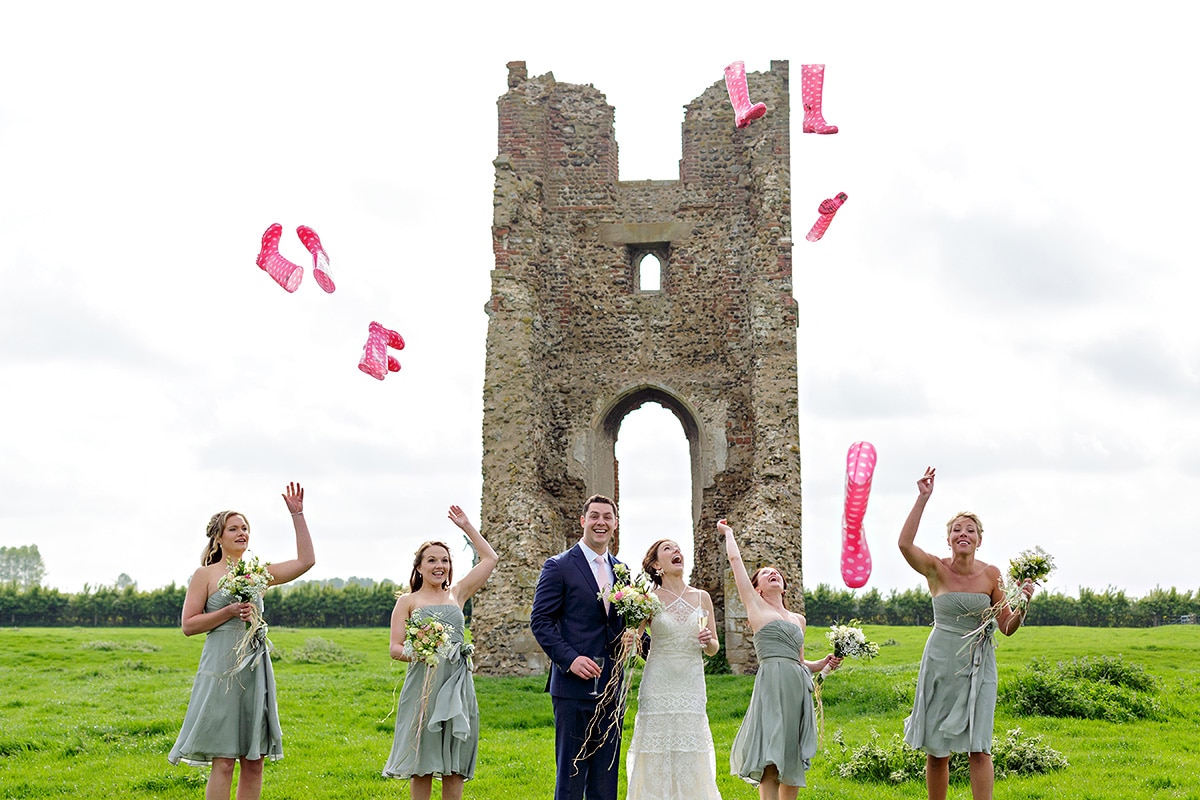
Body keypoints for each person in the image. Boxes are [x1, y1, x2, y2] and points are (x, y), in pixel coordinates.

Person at [168, 482, 317, 800]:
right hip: (221, 668)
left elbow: (306, 562)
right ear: (218, 537)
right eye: (233, 528)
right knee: (223, 761)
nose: (241, 533)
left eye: (245, 528)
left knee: (254, 761)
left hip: (255, 668)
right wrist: (229, 611)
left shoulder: (258, 573)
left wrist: (297, 514)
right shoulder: (205, 575)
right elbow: (189, 625)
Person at [898, 467, 1035, 800]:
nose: (963, 534)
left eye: (970, 530)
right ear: (948, 539)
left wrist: (1024, 603)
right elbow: (904, 544)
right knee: (937, 748)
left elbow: (1007, 626)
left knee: (980, 746)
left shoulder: (991, 574)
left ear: (979, 539)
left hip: (979, 665)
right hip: (941, 661)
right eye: (957, 530)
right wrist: (923, 497)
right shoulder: (935, 569)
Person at [719, 519, 841, 800]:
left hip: (797, 687)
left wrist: (820, 664)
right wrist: (729, 533)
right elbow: (735, 560)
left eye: (776, 572)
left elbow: (799, 661)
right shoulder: (755, 606)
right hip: (771, 685)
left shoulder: (798, 619)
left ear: (784, 587)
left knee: (792, 753)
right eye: (765, 573)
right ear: (757, 587)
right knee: (771, 755)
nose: (772, 573)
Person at [383, 505, 499, 800]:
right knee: (422, 762)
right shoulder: (407, 601)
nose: (440, 566)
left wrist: (467, 528)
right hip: (424, 686)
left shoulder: (457, 593)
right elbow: (395, 648)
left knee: (454, 764)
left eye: (445, 560)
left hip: (458, 685)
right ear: (419, 567)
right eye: (432, 560)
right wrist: (420, 650)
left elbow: (490, 558)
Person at [530, 494, 627, 800]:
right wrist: (570, 660)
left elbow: (624, 625)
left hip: (613, 687)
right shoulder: (558, 566)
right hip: (573, 688)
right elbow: (540, 621)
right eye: (595, 516)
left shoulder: (622, 569)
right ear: (583, 521)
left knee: (605, 779)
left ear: (615, 524)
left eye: (607, 517)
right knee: (571, 777)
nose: (601, 522)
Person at [624, 539, 723, 800]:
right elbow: (635, 639)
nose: (676, 551)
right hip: (658, 681)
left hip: (691, 682)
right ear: (657, 565)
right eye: (668, 549)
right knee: (656, 752)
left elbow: (714, 647)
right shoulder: (648, 600)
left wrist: (708, 642)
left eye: (678, 548)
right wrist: (631, 638)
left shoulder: (702, 597)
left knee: (690, 752)